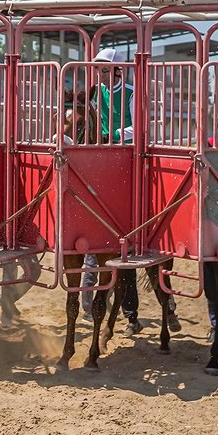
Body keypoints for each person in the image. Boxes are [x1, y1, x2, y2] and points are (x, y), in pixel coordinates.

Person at [91, 47, 179, 334]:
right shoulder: (95, 92)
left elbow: (142, 127)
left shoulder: (131, 92)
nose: (99, 73)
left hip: (131, 157)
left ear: (116, 70)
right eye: (98, 69)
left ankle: (166, 303)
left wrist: (115, 134)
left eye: (104, 69)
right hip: (104, 157)